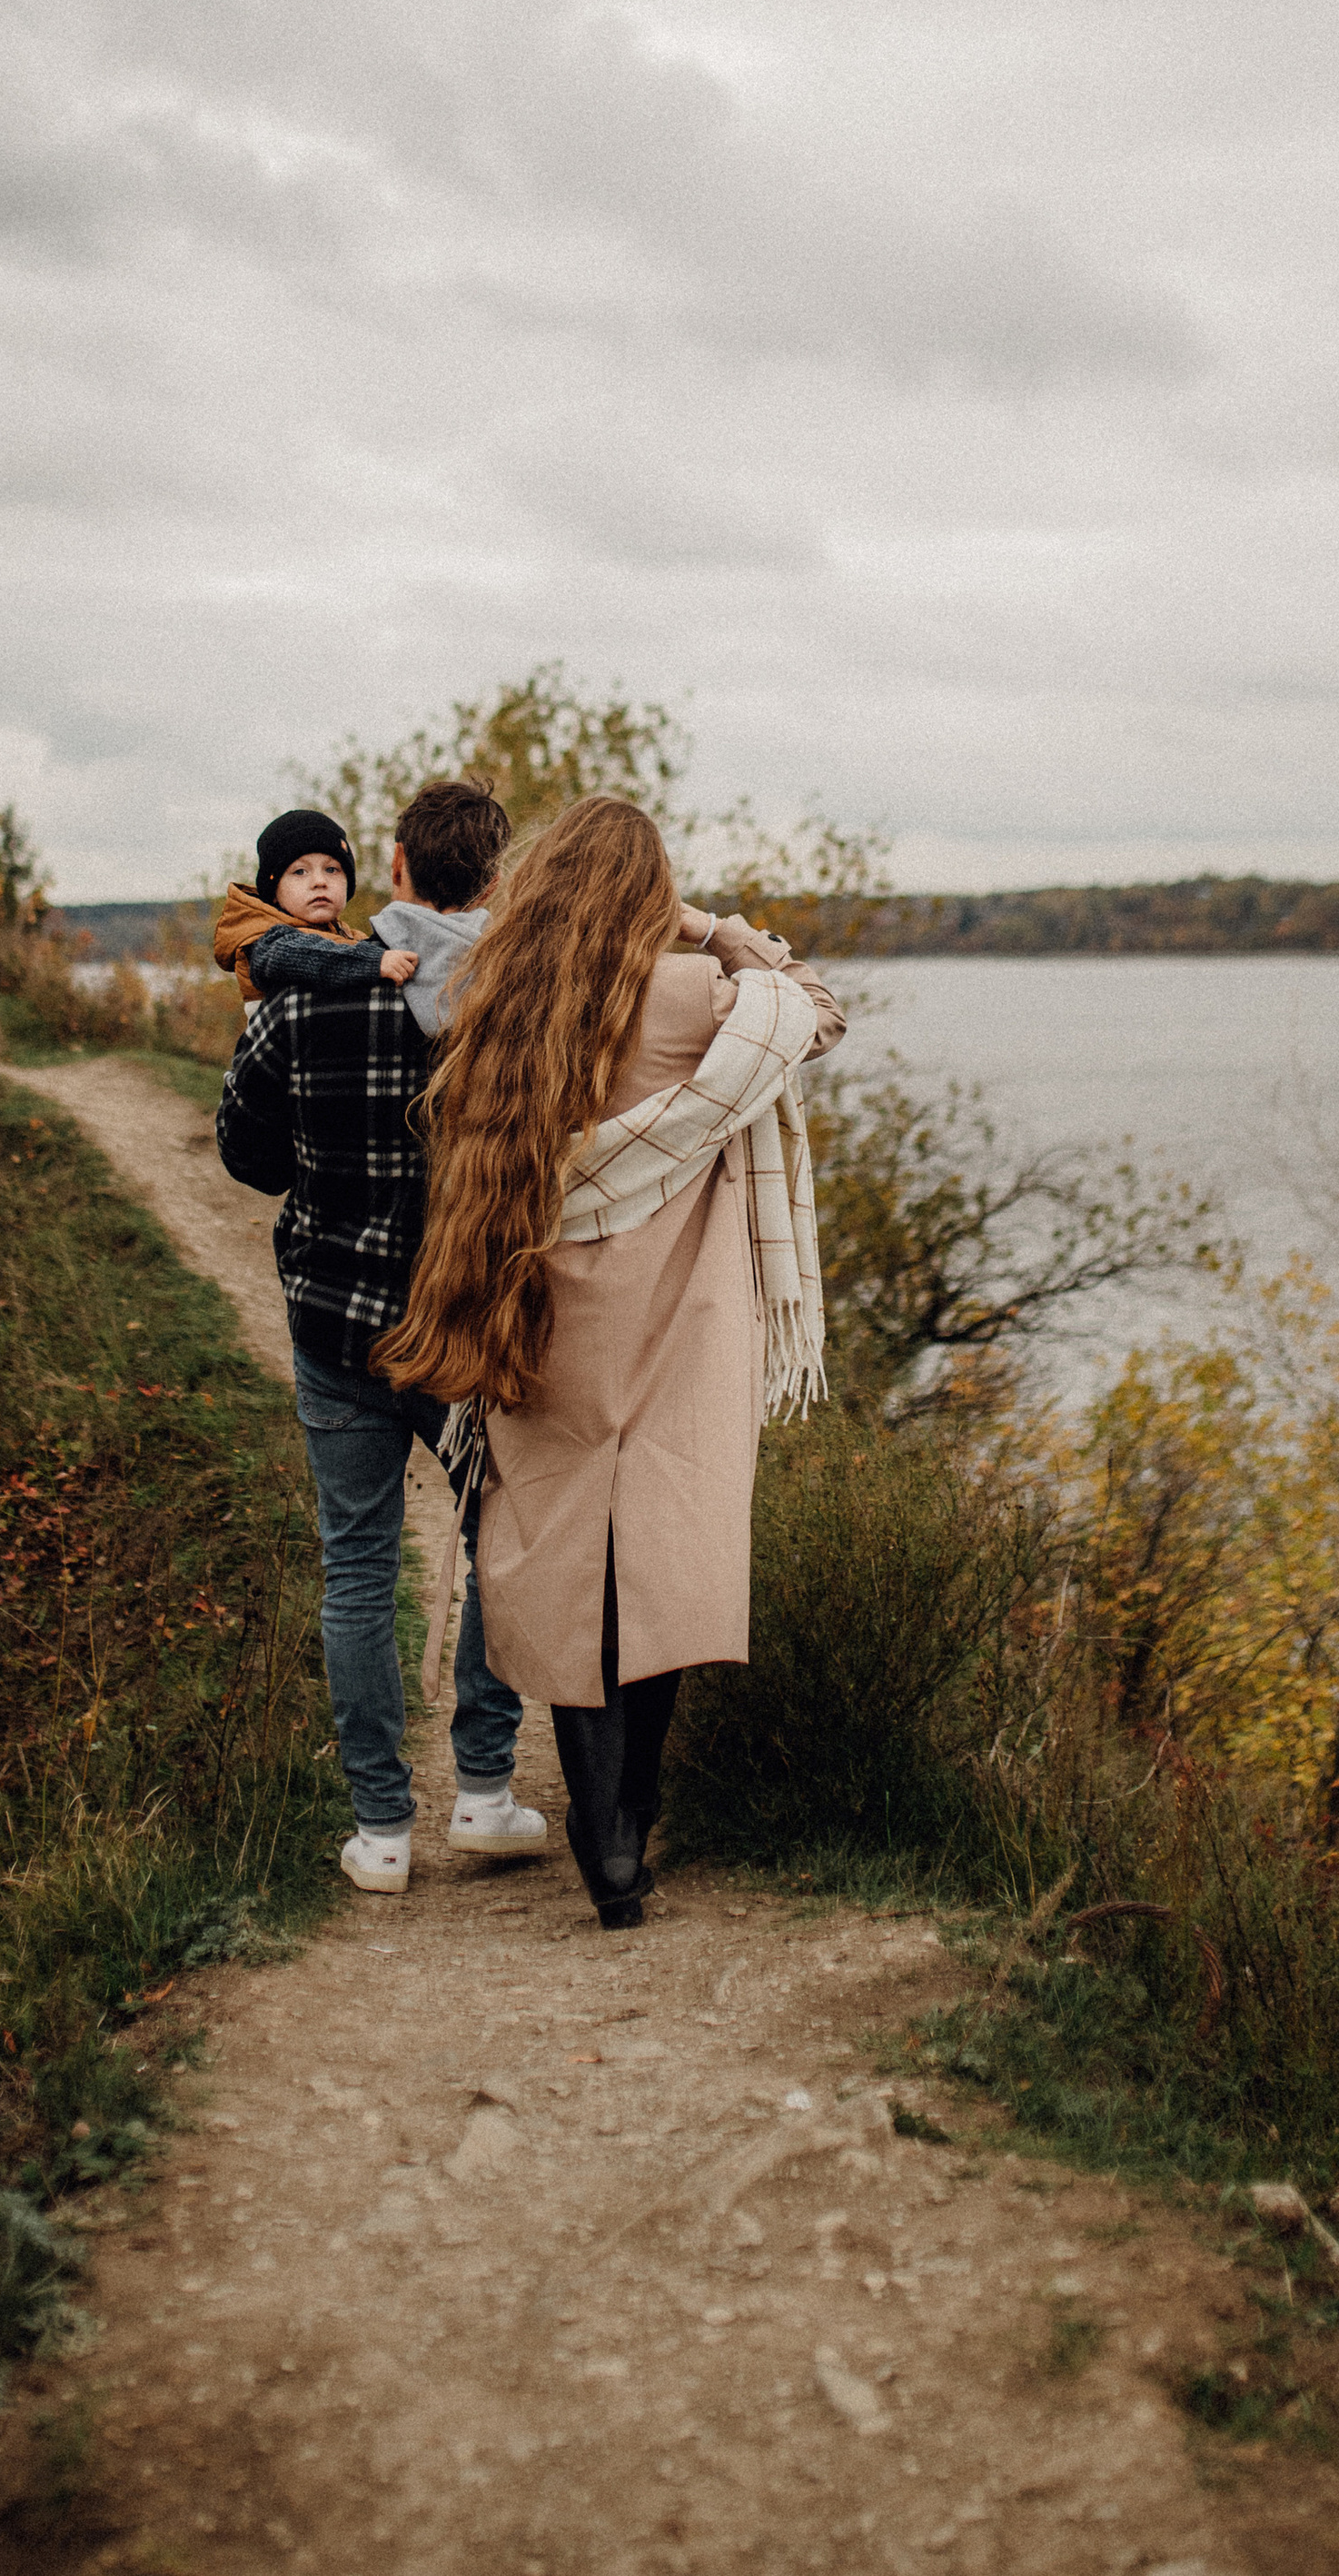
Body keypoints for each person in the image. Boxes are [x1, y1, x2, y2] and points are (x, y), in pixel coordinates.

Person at [373, 795, 844, 1929]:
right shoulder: (687, 994)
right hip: (677, 1325)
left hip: (539, 1313)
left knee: (572, 1550)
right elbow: (813, 1015)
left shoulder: (497, 998)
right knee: (666, 1556)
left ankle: (596, 1822)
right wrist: (715, 927)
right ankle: (629, 1817)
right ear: (647, 894)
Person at [215, 775, 541, 1895]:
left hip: (338, 1321)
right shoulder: (514, 999)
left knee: (355, 1566)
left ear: (392, 868)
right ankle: (487, 1793)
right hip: (467, 1327)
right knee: (500, 1543)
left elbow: (245, 1155)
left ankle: (383, 1832)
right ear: (494, 880)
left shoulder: (295, 995)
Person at [209, 808, 417, 1008]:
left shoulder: (348, 936)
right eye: (300, 872)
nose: (319, 881)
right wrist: (374, 962)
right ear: (274, 892)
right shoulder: (266, 940)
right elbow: (303, 957)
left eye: (331, 869)